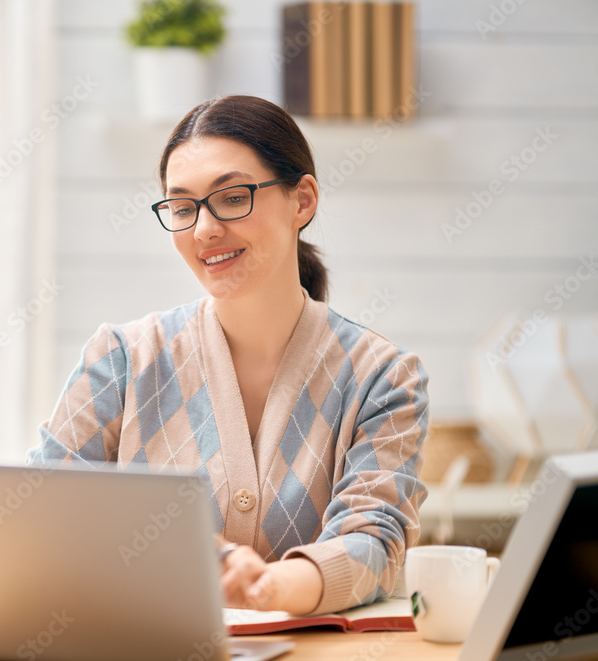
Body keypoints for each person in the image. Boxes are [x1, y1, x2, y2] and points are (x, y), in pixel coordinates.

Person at [27, 95, 428, 616]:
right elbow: (42, 511)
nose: (204, 230)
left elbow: (375, 540)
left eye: (233, 197)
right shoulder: (120, 359)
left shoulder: (383, 377)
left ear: (302, 200)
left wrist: (273, 585)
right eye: (182, 206)